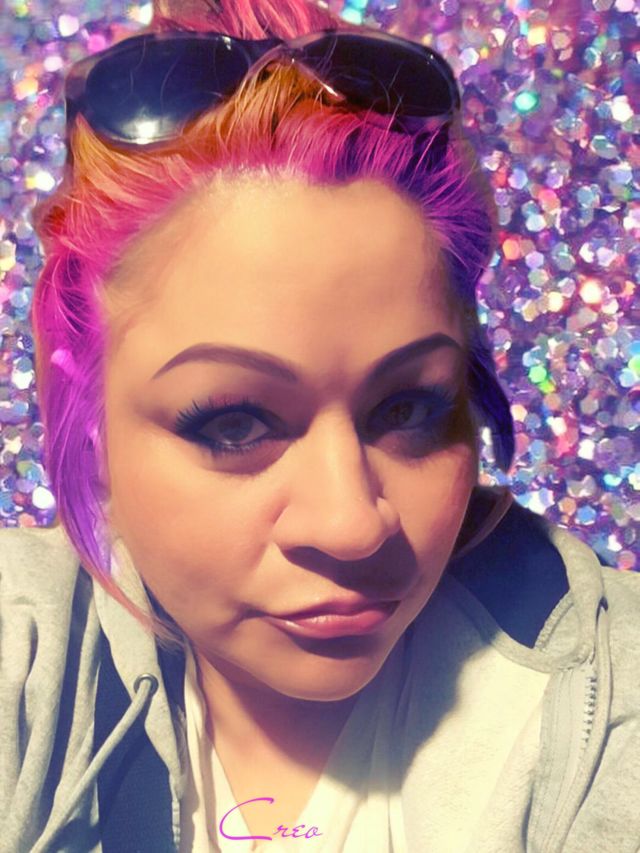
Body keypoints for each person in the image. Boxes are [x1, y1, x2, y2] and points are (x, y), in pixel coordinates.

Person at [1, 1, 638, 851]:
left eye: (408, 408)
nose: (352, 524)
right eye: (234, 424)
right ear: (88, 421)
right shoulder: (25, 652)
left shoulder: (612, 688)